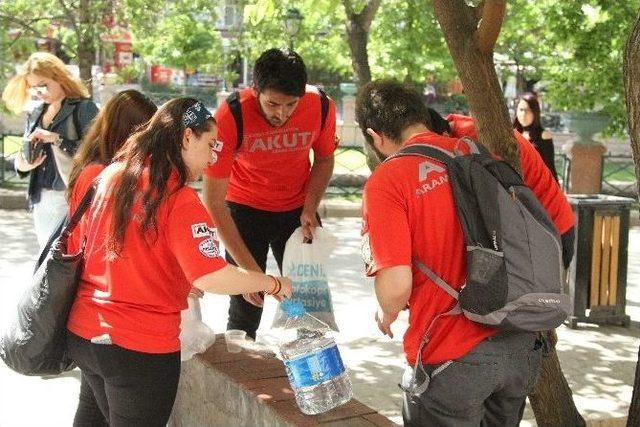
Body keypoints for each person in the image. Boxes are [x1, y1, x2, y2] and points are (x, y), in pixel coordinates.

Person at [355, 80, 575, 426]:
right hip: (517, 344)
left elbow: (396, 285)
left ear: (374, 135)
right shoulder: (473, 151)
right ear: (421, 115)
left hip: (451, 357)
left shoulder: (388, 180)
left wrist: (386, 313)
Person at [65, 98, 293, 426]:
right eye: (210, 144)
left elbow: (98, 251)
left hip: (86, 335)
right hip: (138, 347)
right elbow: (211, 276)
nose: (213, 158)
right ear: (187, 138)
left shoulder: (110, 176)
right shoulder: (179, 199)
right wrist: (271, 283)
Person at [202, 48, 337, 339]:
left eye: (291, 104)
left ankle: (312, 378)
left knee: (308, 308)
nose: (282, 114)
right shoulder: (231, 114)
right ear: (255, 90)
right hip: (244, 210)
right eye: (272, 104)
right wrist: (251, 274)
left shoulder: (321, 105)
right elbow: (213, 202)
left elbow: (324, 159)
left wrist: (310, 206)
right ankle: (240, 375)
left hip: (297, 211)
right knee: (246, 307)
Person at [1, 52, 98, 248]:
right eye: (33, 88)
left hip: (71, 197)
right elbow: (23, 156)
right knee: (47, 261)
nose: (39, 92)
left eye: (43, 85)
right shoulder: (36, 113)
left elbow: (97, 153)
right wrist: (25, 163)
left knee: (64, 261)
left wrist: (57, 139)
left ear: (59, 77)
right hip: (39, 197)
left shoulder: (83, 108)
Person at [513, 92, 559, 181]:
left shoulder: (543, 135)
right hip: (516, 186)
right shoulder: (512, 134)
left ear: (535, 113)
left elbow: (550, 168)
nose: (524, 114)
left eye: (528, 110)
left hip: (537, 187)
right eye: (521, 110)